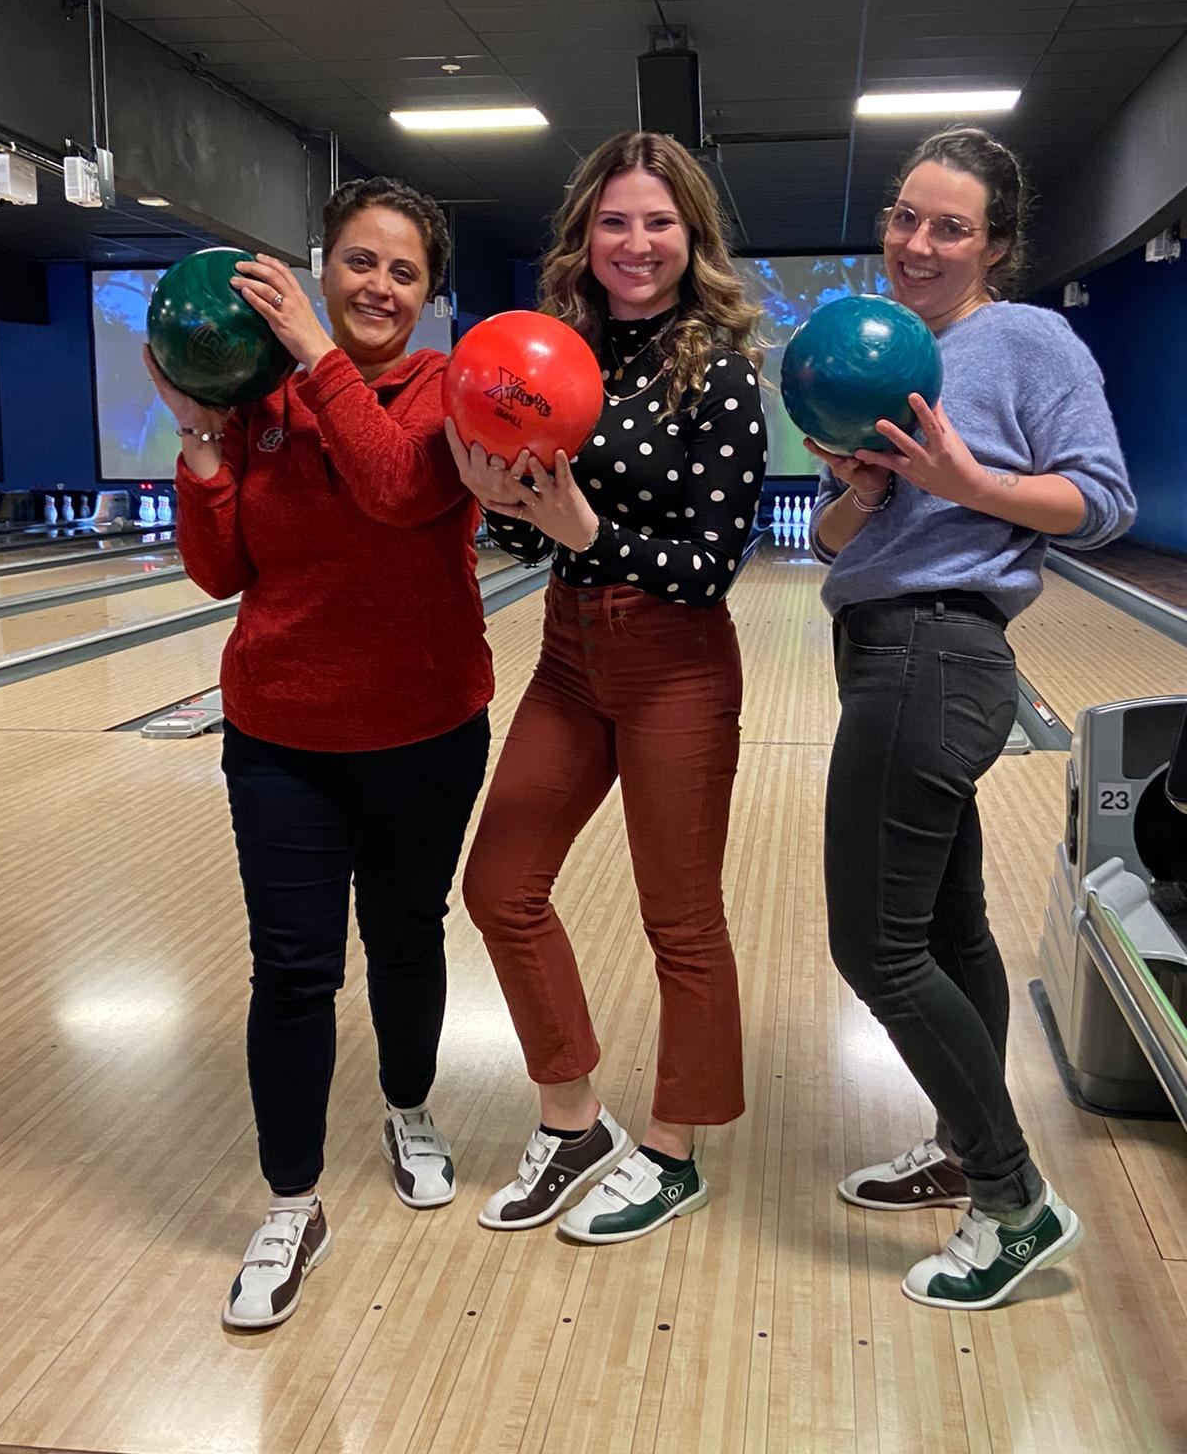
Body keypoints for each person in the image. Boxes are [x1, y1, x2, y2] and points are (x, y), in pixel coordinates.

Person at [144, 177, 493, 1329]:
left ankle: (408, 1106)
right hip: (281, 736)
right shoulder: (260, 397)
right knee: (293, 970)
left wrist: (312, 356)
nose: (378, 285)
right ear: (322, 267)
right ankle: (292, 1203)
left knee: (405, 936)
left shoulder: (447, 392)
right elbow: (220, 571)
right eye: (358, 261)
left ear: (428, 294)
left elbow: (394, 485)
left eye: (403, 270)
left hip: (426, 728)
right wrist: (202, 436)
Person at [809, 127, 1136, 1309]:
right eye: (905, 216)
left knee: (874, 947)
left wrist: (972, 484)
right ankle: (963, 1144)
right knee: (948, 935)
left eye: (950, 226)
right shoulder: (883, 350)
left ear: (995, 245)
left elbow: (1104, 499)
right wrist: (860, 492)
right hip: (884, 647)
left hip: (937, 653)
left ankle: (1014, 1199)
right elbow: (836, 546)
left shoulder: (1028, 340)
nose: (918, 242)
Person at [446, 130, 767, 1244]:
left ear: (692, 236)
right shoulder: (554, 352)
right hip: (569, 653)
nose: (637, 242)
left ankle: (674, 1150)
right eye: (615, 221)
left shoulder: (720, 371)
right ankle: (573, 1118)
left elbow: (712, 565)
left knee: (681, 919)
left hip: (676, 663)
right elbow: (537, 534)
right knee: (500, 884)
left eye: (659, 221)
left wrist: (591, 533)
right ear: (585, 234)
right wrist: (499, 502)